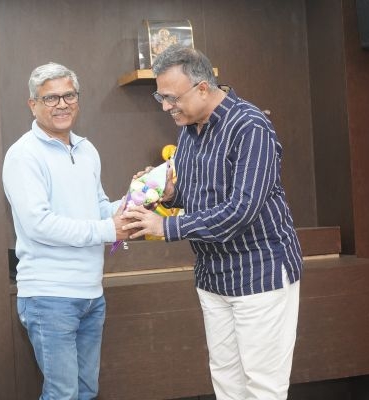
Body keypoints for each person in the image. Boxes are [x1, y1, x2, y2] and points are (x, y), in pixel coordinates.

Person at [122, 44, 303, 400]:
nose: (165, 106)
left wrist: (166, 227)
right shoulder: (188, 129)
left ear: (203, 88)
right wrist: (170, 194)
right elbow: (201, 195)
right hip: (213, 277)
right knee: (226, 384)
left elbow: (241, 210)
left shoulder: (250, 126)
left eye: (171, 98)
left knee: (262, 388)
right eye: (161, 97)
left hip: (259, 274)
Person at [2, 62, 128, 400]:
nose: (62, 104)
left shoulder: (87, 150)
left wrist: (136, 200)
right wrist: (107, 229)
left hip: (91, 294)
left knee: (87, 391)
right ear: (33, 105)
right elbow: (39, 225)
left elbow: (99, 207)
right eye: (51, 98)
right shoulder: (23, 155)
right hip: (49, 296)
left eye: (69, 95)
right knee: (63, 394)